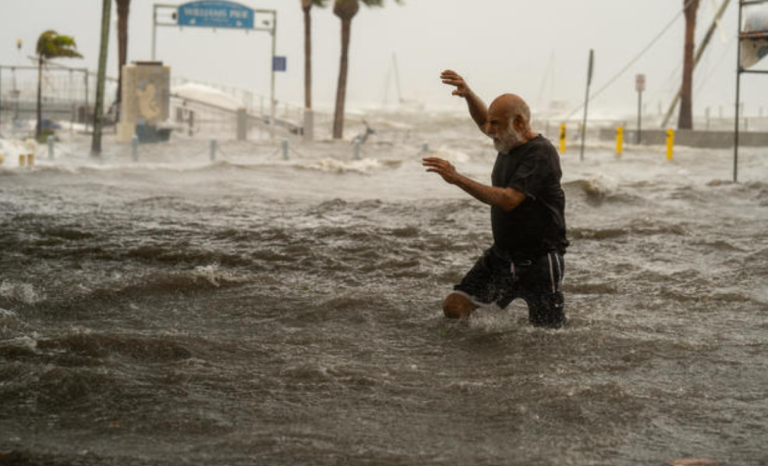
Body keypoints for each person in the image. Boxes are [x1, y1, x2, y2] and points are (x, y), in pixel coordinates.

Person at [422, 70, 569, 328]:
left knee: (547, 336)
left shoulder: (540, 153)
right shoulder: (507, 141)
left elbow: (509, 199)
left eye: (496, 125)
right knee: (454, 307)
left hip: (540, 261)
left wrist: (457, 178)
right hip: (502, 257)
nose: (489, 130)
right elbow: (483, 120)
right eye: (490, 124)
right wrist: (468, 95)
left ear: (520, 123)